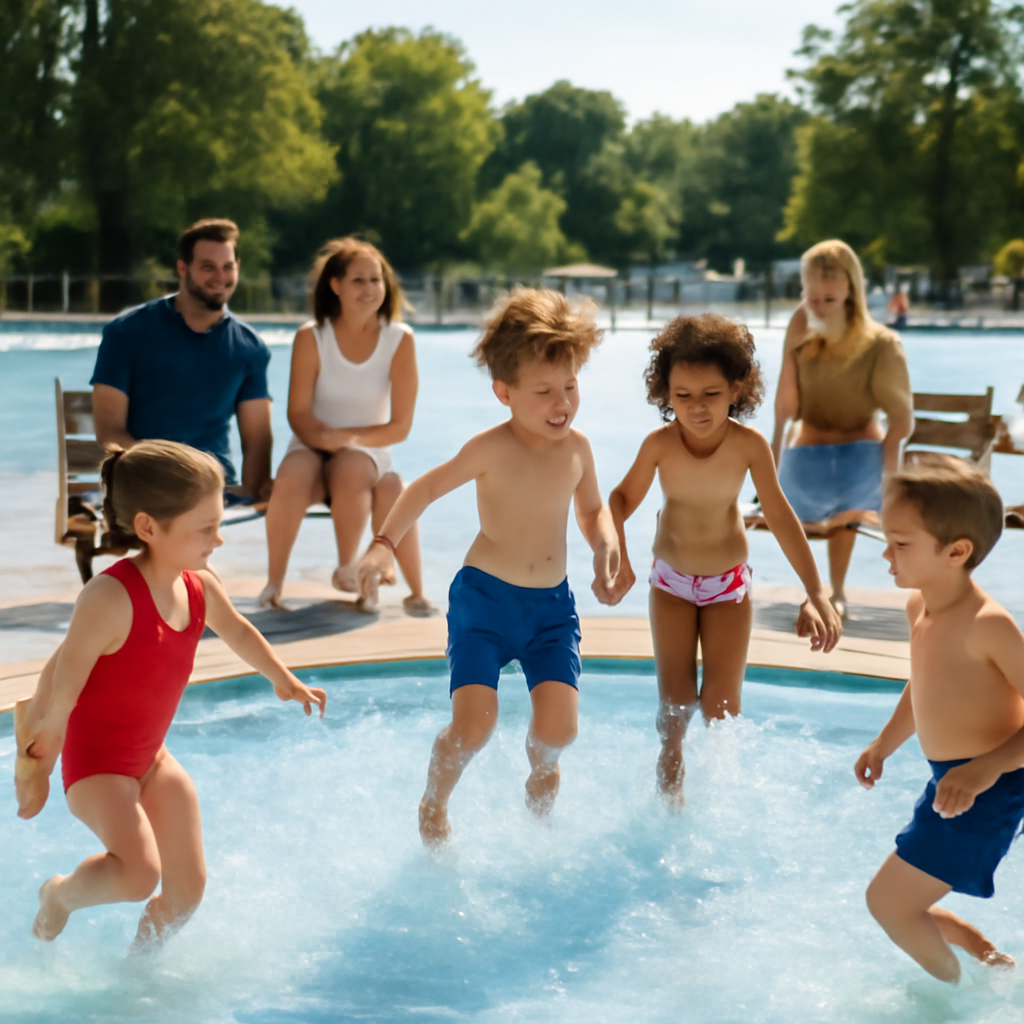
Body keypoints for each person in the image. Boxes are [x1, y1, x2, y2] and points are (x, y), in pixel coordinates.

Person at [14, 440, 326, 952]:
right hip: (97, 767)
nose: (219, 540)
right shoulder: (110, 598)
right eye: (205, 529)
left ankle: (139, 974)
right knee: (138, 876)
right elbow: (62, 677)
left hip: (152, 759)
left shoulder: (199, 583)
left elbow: (238, 630)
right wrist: (40, 760)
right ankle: (60, 896)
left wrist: (281, 676)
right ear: (148, 528)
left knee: (187, 891)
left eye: (218, 523)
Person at [356, 289, 619, 847]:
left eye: (570, 386)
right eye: (544, 391)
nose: (561, 403)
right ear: (505, 392)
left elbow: (593, 510)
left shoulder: (579, 449)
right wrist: (383, 544)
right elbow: (424, 488)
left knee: (559, 731)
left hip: (551, 609)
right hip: (485, 603)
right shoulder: (491, 448)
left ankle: (542, 772)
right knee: (474, 726)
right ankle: (434, 801)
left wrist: (604, 545)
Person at [607, 314, 843, 805]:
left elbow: (779, 516)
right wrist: (617, 554)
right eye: (683, 396)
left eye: (710, 394)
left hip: (727, 588)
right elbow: (619, 501)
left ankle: (721, 803)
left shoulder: (749, 446)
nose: (696, 408)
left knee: (722, 709)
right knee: (674, 708)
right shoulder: (659, 445)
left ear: (736, 388)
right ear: (665, 393)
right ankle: (671, 793)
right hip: (670, 583)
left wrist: (816, 591)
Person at [855, 455, 1024, 983]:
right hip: (954, 778)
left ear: (956, 551)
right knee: (896, 903)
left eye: (901, 543)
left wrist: (986, 769)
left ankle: (954, 1000)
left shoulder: (988, 625)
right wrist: (884, 743)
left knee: (888, 903)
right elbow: (923, 685)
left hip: (991, 785)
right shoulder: (919, 607)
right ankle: (983, 953)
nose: (885, 555)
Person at [259, 239, 428, 614]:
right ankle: (273, 585)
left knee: (353, 467)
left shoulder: (400, 339)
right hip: (312, 441)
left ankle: (347, 568)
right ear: (335, 285)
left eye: (376, 280)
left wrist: (348, 440)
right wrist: (324, 439)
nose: (370, 289)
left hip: (366, 450)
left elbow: (399, 427)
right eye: (358, 281)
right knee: (291, 473)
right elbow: (298, 413)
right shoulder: (311, 336)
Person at [772, 240, 913, 618]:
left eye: (828, 299)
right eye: (811, 297)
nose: (817, 307)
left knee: (849, 504)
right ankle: (814, 589)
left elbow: (901, 419)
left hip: (861, 453)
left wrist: (891, 475)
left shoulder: (882, 344)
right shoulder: (802, 324)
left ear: (851, 291)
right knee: (796, 502)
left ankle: (834, 590)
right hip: (807, 452)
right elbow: (785, 406)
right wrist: (768, 465)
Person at [91, 218, 272, 499]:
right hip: (145, 484)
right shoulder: (127, 332)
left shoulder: (250, 348)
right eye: (208, 267)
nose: (219, 277)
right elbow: (110, 432)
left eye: (228, 267)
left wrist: (251, 495)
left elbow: (258, 440)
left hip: (214, 491)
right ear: (182, 268)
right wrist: (170, 475)